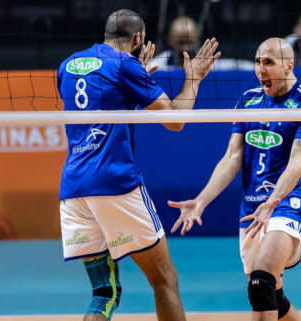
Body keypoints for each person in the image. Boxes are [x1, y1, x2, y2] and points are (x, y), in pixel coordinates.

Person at [56, 9, 220, 321]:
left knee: (104, 294)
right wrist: (194, 78)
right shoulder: (124, 64)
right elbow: (175, 120)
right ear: (137, 39)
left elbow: (101, 103)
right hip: (114, 184)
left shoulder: (68, 65)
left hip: (73, 190)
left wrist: (133, 77)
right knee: (164, 280)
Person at [169, 38, 301, 321]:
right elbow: (232, 158)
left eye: (268, 62)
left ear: (289, 65)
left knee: (260, 283)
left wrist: (272, 202)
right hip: (252, 209)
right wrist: (201, 200)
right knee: (274, 298)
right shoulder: (248, 99)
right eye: (257, 62)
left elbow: (298, 162)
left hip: (285, 205)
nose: (260, 69)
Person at [150, 16, 253, 70]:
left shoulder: (209, 64)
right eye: (181, 43)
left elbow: (237, 66)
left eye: (189, 42)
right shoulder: (156, 66)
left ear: (197, 39)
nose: (185, 48)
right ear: (170, 40)